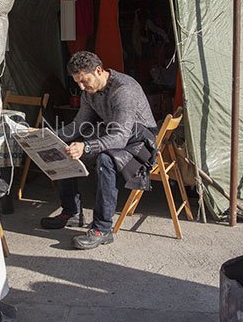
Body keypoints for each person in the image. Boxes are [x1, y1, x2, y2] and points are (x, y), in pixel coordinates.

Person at [41, 51, 157, 250]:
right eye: (77, 82)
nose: (81, 87)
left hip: (140, 142)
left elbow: (120, 138)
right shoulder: (89, 92)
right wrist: (48, 137)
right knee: (65, 149)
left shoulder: (123, 91)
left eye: (84, 81)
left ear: (98, 70)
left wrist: (86, 147)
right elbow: (78, 124)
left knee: (106, 159)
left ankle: (102, 229)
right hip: (118, 135)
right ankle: (72, 212)